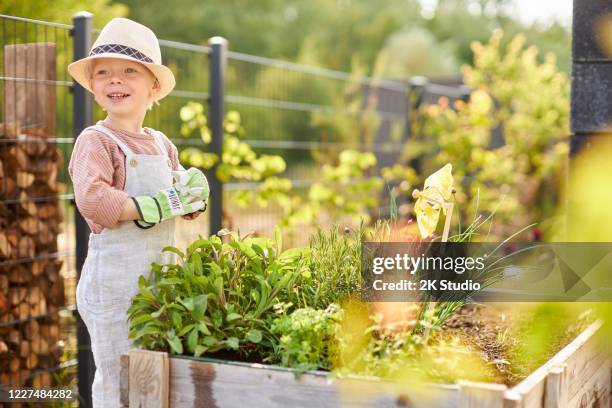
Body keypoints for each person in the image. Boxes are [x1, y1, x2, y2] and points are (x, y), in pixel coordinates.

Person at [67, 18, 208, 407]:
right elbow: (94, 199)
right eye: (105, 73)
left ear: (154, 86)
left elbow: (177, 196)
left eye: (130, 71)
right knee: (117, 376)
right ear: (93, 86)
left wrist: (193, 195)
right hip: (114, 286)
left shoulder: (161, 144)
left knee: (153, 373)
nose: (116, 80)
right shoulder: (96, 141)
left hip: (160, 281)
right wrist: (151, 206)